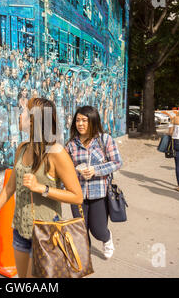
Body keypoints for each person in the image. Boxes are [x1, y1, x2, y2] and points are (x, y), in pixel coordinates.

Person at [0, 98, 83, 278]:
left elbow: (77, 196)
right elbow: (9, 189)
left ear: (34, 120)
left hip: (45, 233)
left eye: (23, 111)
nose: (19, 114)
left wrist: (42, 188)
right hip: (20, 231)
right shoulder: (22, 149)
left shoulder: (56, 153)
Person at [66, 106, 123, 259]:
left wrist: (95, 170)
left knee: (99, 230)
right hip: (77, 194)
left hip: (99, 193)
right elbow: (65, 169)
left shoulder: (105, 140)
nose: (80, 124)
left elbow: (117, 162)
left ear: (93, 121)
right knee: (81, 230)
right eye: (77, 120)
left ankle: (107, 239)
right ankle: (84, 257)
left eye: (84, 120)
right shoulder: (71, 144)